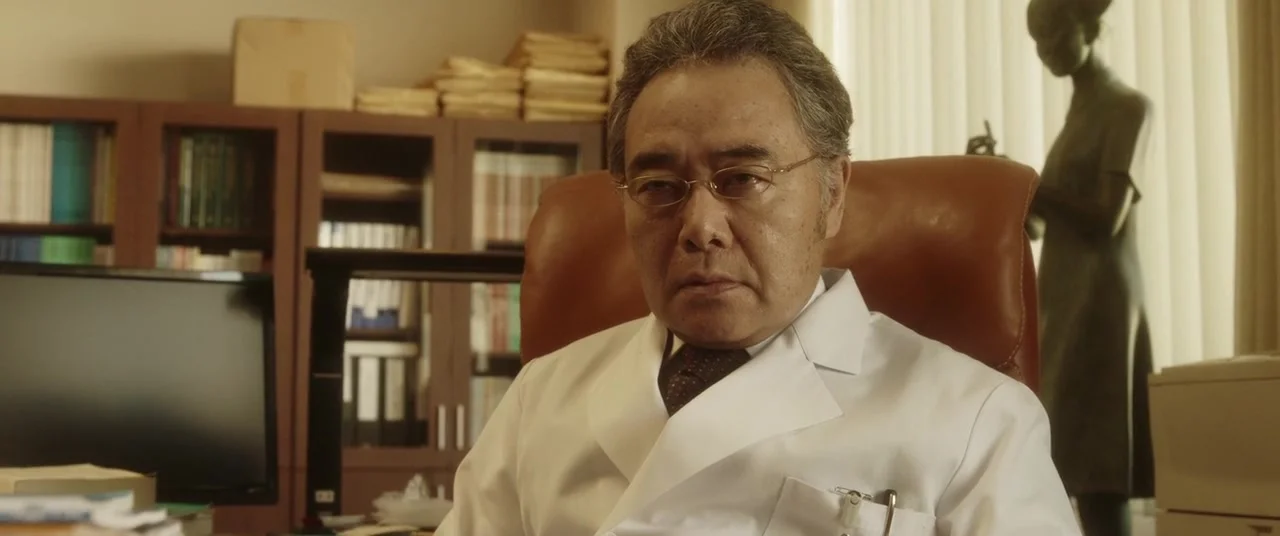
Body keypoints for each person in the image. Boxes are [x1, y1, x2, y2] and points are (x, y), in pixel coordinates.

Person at [437, 1, 1080, 534]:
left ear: (832, 193)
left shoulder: (978, 421)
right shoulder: (540, 399)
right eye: (659, 186)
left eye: (743, 178)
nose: (700, 227)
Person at [1026, 0, 1156, 535]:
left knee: (1100, 467)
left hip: (1102, 299)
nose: (1045, 50)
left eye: (1054, 35)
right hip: (1064, 297)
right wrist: (999, 181)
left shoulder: (1127, 107)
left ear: (1090, 27)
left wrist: (1030, 184)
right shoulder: (1077, 114)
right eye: (1037, 40)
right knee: (1069, 462)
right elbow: (1040, 226)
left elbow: (1106, 216)